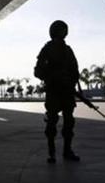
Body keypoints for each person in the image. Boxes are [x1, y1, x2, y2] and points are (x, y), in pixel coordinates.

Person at [34, 20, 82, 164]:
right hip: (54, 91)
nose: (64, 32)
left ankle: (67, 150)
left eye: (64, 30)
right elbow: (38, 71)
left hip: (67, 91)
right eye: (61, 29)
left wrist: (70, 82)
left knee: (69, 122)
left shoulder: (68, 50)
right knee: (52, 122)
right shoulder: (47, 48)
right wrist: (52, 77)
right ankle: (52, 152)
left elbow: (75, 70)